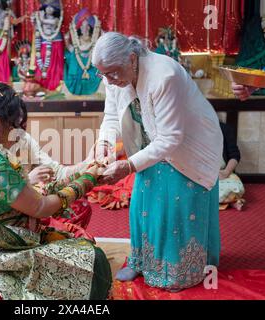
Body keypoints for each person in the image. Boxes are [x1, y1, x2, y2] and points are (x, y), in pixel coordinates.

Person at [0, 83, 112, 300]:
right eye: (15, 127)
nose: (19, 133)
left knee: (70, 228)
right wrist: (87, 180)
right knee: (93, 263)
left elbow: (54, 173)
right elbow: (40, 207)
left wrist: (86, 165)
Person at [91, 32, 223, 291]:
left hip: (189, 146)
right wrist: (105, 144)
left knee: (177, 208)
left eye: (112, 73)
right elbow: (110, 115)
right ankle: (142, 261)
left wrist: (128, 165)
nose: (108, 80)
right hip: (150, 145)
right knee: (143, 203)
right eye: (103, 75)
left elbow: (171, 137)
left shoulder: (164, 76)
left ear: (131, 58)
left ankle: (180, 270)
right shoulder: (114, 74)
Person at [219, 122, 245, 211]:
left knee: (237, 187)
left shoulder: (224, 129)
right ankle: (230, 202)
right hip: (199, 174)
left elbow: (235, 155)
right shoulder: (192, 129)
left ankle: (225, 201)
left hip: (222, 172)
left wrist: (226, 172)